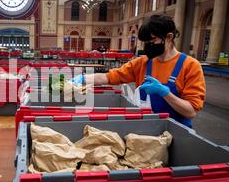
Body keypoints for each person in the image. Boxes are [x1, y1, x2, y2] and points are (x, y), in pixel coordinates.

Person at [73, 14, 205, 128]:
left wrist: (165, 93)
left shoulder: (190, 66)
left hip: (177, 134)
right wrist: (80, 79)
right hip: (145, 130)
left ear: (169, 37)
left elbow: (190, 111)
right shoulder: (143, 63)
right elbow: (108, 77)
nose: (148, 45)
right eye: (145, 42)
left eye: (152, 40)